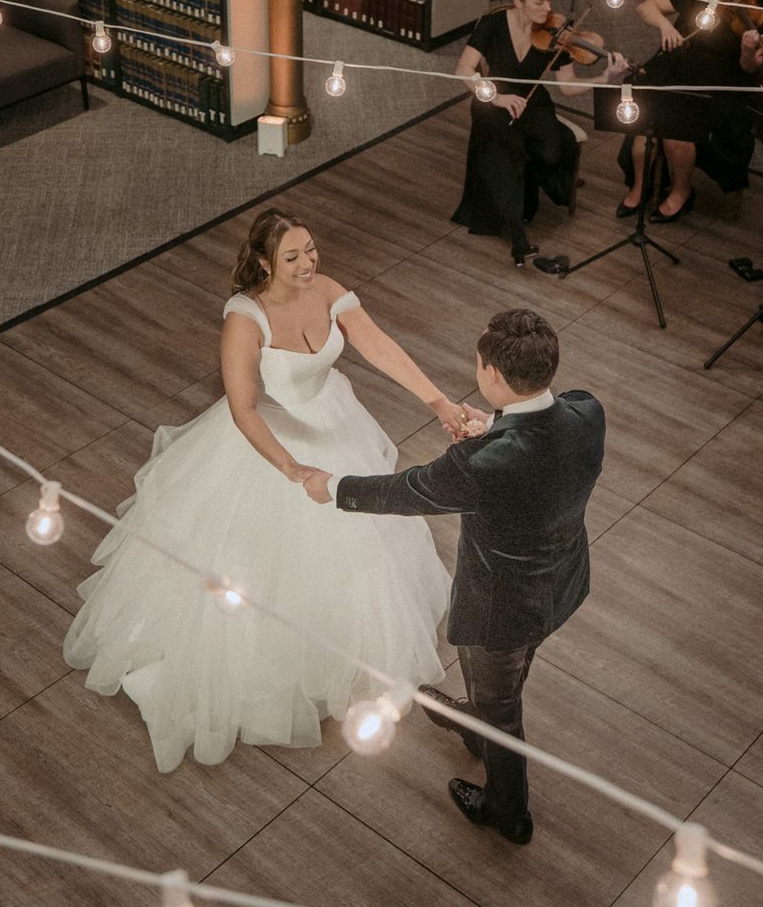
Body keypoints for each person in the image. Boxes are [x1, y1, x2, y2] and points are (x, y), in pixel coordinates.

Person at [63, 209, 470, 772]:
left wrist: (439, 402)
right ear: (263, 262)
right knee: (270, 562)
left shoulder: (327, 289)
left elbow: (378, 346)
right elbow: (242, 408)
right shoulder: (244, 318)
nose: (308, 264)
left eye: (311, 250)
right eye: (293, 257)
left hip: (336, 421)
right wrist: (291, 468)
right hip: (271, 444)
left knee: (359, 550)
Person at [298, 309, 607, 846]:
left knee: (502, 709)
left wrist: (335, 486)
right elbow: (537, 447)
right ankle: (475, 720)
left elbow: (408, 491)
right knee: (508, 679)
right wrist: (494, 428)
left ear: (491, 374)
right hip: (561, 584)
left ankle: (507, 810)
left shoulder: (482, 464)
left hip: (500, 609)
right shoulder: (587, 411)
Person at [451, 0, 626, 266]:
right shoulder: (491, 24)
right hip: (492, 100)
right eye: (540, 2)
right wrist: (497, 97)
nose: (549, 9)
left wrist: (604, 78)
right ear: (519, 1)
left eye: (549, 1)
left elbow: (568, 87)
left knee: (550, 152)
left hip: (533, 102)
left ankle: (525, 188)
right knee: (510, 150)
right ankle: (518, 238)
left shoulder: (554, 34)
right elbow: (463, 71)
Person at [624, 0, 763, 222]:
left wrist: (747, 48)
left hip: (720, 89)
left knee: (676, 126)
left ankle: (681, 191)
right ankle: (639, 186)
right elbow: (646, 7)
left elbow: (749, 68)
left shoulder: (761, 9)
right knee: (643, 113)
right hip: (677, 71)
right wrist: (666, 25)